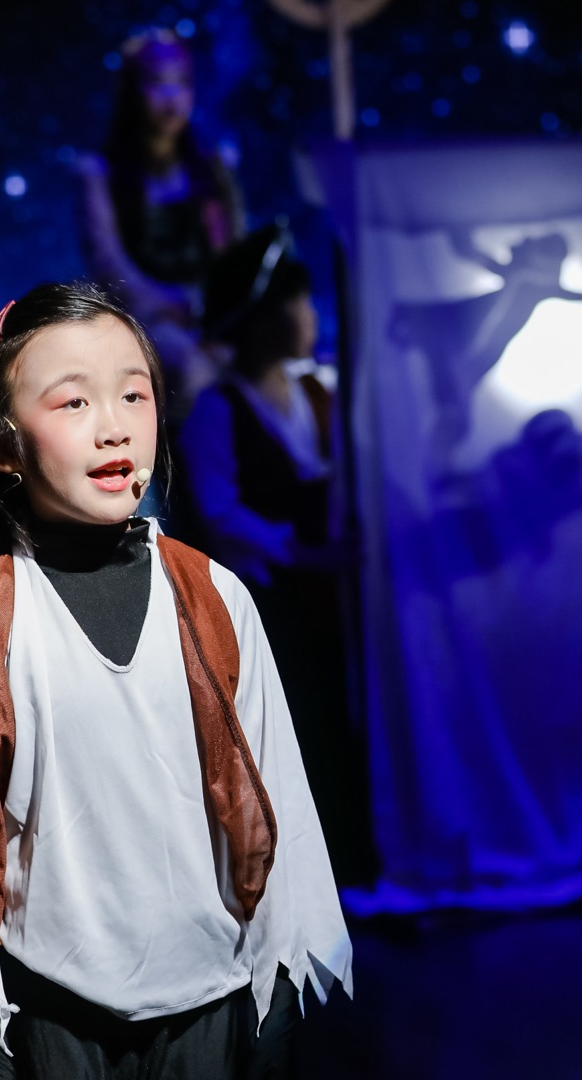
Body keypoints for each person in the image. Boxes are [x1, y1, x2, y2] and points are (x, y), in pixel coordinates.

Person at [0, 282, 351, 1078]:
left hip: (213, 1000)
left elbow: (276, 804)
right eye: (73, 402)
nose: (114, 426)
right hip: (51, 1016)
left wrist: (278, 993)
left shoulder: (213, 597)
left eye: (134, 394)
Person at [175, 225, 377, 885]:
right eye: (298, 303)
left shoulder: (323, 389)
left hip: (338, 593)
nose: (310, 316)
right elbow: (221, 512)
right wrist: (297, 553)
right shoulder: (218, 409)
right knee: (300, 728)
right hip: (270, 603)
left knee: (351, 720)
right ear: (260, 319)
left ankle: (362, 856)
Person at [78, 28, 246, 410]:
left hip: (214, 316)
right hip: (146, 321)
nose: (171, 96)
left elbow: (235, 248)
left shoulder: (213, 171)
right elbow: (108, 262)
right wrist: (169, 306)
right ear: (132, 91)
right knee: (191, 372)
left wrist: (215, 310)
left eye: (181, 82)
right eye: (156, 82)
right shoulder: (101, 174)